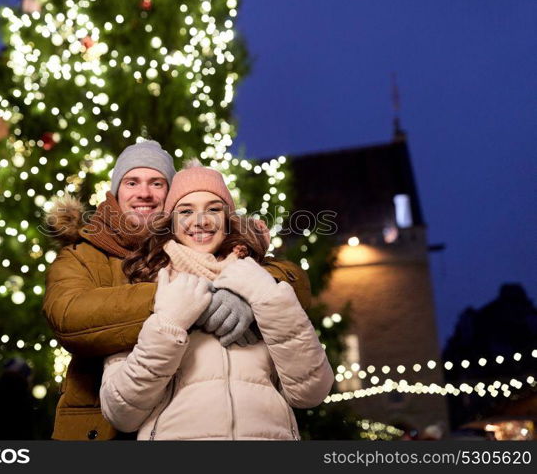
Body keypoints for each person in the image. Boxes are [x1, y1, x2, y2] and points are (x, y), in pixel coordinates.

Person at [43, 141, 312, 440]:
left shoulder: (220, 250)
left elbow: (292, 278)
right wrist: (192, 301)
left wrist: (250, 292)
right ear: (116, 192)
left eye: (156, 183)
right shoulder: (84, 253)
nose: (144, 192)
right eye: (132, 182)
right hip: (100, 428)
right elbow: (70, 316)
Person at [99, 161, 335, 439]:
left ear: (228, 220)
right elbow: (121, 412)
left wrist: (266, 298)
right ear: (171, 223)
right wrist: (169, 324)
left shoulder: (258, 278)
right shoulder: (148, 285)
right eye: (186, 211)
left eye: (213, 209)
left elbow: (312, 391)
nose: (201, 220)